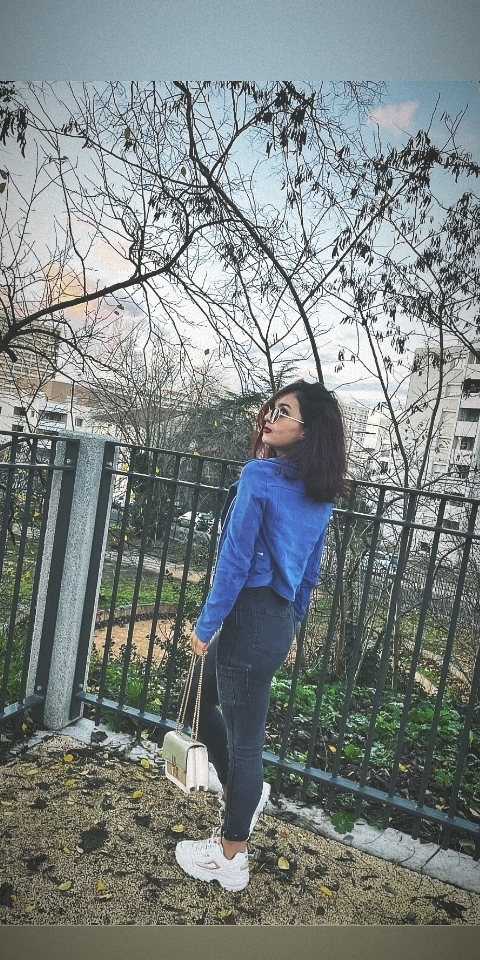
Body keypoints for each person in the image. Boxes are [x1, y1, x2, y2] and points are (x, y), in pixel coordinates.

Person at [174, 380, 348, 891]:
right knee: (204, 704)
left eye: (284, 412)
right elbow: (310, 573)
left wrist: (206, 626)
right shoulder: (319, 491)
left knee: (246, 744)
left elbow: (233, 563)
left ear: (307, 430)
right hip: (274, 623)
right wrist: (291, 623)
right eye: (272, 408)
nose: (270, 417)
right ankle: (242, 794)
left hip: (248, 620)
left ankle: (231, 855)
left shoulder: (260, 477)